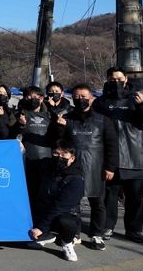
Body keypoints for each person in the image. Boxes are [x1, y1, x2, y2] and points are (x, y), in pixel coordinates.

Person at [95, 67, 143, 244]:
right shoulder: (101, 102)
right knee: (109, 196)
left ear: (126, 79)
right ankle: (107, 227)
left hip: (135, 155)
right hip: (110, 157)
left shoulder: (137, 98)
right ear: (107, 80)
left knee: (135, 198)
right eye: (112, 79)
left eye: (119, 78)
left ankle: (134, 230)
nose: (115, 82)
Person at [51, 83, 118, 250]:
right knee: (73, 204)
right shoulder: (67, 119)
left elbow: (112, 145)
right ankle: (74, 234)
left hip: (96, 166)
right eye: (76, 97)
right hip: (73, 167)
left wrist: (110, 167)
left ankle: (96, 234)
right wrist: (59, 128)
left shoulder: (103, 120)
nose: (80, 100)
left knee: (97, 202)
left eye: (83, 97)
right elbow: (59, 144)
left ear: (91, 98)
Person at [28, 140, 84, 262]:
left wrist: (41, 227)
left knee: (67, 222)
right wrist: (19, 149)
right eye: (56, 154)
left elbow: (59, 207)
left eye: (64, 155)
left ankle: (67, 242)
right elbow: (28, 163)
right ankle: (47, 236)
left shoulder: (76, 180)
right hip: (43, 211)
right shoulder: (46, 166)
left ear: (72, 158)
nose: (59, 157)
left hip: (62, 214)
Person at [10, 86, 54, 223]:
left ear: (41, 98)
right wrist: (20, 125)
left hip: (47, 160)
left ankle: (44, 224)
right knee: (28, 195)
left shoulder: (50, 115)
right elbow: (9, 136)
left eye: (35, 97)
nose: (31, 100)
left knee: (45, 194)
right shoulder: (17, 115)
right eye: (28, 97)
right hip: (25, 161)